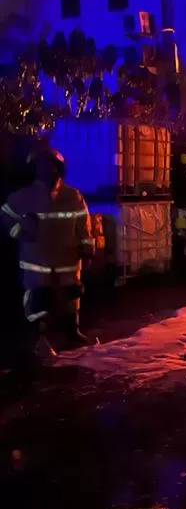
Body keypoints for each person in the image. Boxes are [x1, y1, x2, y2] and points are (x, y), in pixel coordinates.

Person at [1, 147, 96, 366]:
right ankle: (39, 339)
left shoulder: (73, 196)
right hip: (36, 260)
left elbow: (84, 226)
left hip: (68, 261)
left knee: (72, 295)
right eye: (41, 166)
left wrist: (87, 249)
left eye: (51, 166)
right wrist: (19, 232)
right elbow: (5, 216)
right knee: (38, 299)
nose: (46, 170)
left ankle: (72, 333)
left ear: (59, 169)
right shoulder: (23, 196)